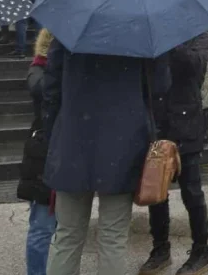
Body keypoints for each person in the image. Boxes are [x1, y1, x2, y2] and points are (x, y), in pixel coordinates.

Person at [42, 38, 150, 275]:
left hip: (73, 140)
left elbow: (50, 89)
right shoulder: (140, 33)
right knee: (113, 237)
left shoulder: (70, 30)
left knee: (67, 236)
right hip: (123, 144)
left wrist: (54, 134)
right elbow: (160, 87)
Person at [140, 29, 208, 275]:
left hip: (186, 122)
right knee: (156, 190)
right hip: (158, 122)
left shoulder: (198, 33)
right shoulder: (151, 33)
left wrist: (171, 42)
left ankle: (201, 251)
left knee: (192, 192)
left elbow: (196, 66)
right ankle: (160, 248)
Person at [18, 30, 55, 275]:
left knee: (62, 227)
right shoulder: (39, 71)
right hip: (44, 154)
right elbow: (41, 90)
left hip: (61, 152)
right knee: (42, 226)